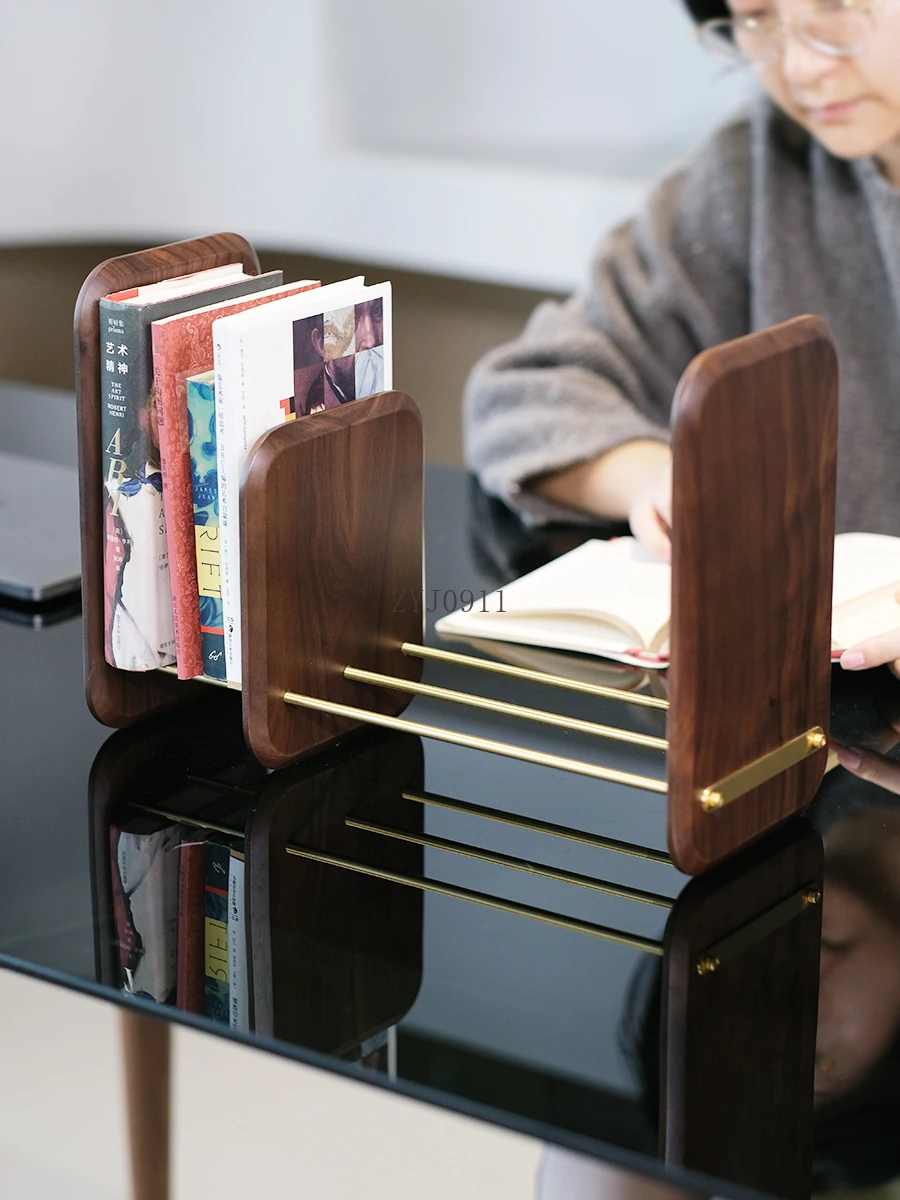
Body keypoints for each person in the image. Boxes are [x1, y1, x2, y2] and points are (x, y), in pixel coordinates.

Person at [464, 0, 900, 676]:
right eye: (759, 19)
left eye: (836, 7)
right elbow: (525, 392)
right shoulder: (756, 168)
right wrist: (669, 481)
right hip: (806, 707)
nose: (802, 67)